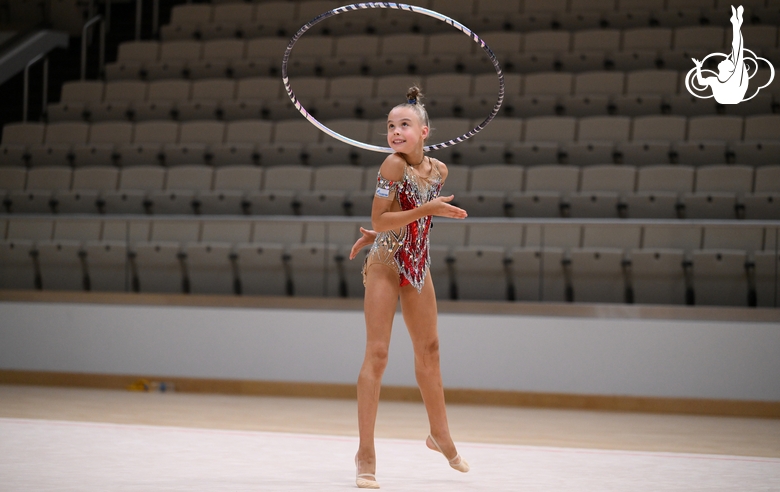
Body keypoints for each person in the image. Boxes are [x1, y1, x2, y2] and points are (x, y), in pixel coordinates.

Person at [349, 86, 469, 489]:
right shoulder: (391, 166)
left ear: (424, 132)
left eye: (404, 125)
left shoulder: (439, 171)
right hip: (386, 262)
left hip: (417, 263)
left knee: (430, 351)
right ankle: (365, 453)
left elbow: (408, 221)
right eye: (390, 126)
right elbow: (381, 219)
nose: (395, 132)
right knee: (378, 354)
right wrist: (416, 215)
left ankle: (439, 434)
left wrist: (410, 219)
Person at [691, 5, 748, 104]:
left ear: (729, 69)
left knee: (737, 51)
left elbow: (737, 47)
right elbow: (701, 82)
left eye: (727, 61)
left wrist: (736, 26)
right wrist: (698, 67)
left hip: (733, 96)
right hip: (728, 97)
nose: (725, 59)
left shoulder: (734, 77)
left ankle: (736, 24)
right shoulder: (714, 80)